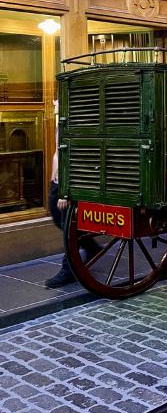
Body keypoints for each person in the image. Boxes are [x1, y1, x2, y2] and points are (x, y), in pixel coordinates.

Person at [45, 116, 99, 288]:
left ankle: (70, 270)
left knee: (69, 228)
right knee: (58, 220)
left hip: (68, 185)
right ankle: (91, 247)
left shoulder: (77, 123)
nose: (55, 105)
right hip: (57, 183)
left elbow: (78, 159)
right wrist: (53, 180)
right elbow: (57, 152)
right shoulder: (60, 121)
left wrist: (66, 192)